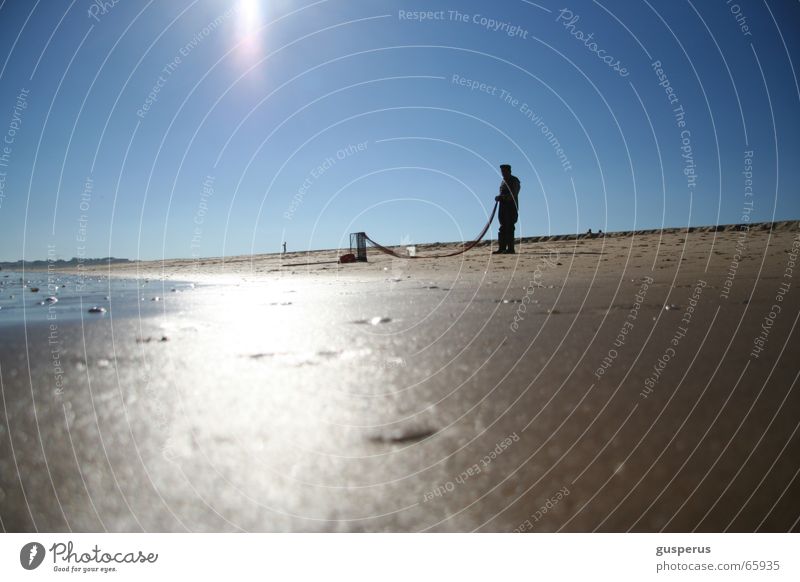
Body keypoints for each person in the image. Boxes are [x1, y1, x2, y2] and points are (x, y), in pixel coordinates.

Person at [494, 164, 521, 254]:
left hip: (511, 207)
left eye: (504, 171)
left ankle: (510, 249)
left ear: (509, 171)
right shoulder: (503, 181)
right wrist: (499, 198)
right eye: (502, 171)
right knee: (502, 227)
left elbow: (513, 194)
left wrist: (502, 197)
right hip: (502, 207)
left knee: (510, 227)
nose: (503, 173)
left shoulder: (514, 180)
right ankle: (502, 248)